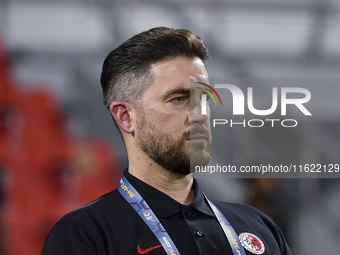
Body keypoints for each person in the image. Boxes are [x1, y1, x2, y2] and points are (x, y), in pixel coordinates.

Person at [41, 27, 292, 255]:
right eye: (178, 99)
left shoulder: (260, 228)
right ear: (126, 117)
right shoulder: (85, 235)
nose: (200, 114)